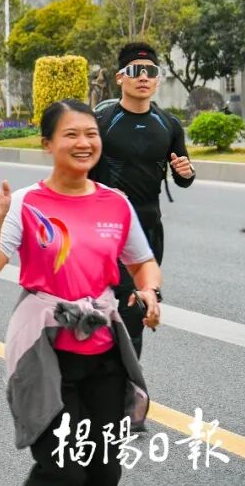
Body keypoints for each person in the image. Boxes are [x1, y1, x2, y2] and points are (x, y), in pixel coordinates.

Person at [0, 100, 161, 486]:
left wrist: (150, 290)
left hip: (104, 353)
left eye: (91, 134)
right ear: (47, 143)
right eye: (71, 134)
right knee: (63, 471)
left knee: (105, 471)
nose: (83, 143)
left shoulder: (116, 203)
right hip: (44, 351)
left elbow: (143, 262)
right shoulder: (26, 202)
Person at [89, 42, 193, 360]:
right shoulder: (101, 122)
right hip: (105, 229)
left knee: (136, 309)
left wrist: (186, 173)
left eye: (150, 71)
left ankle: (126, 381)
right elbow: (79, 176)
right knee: (109, 307)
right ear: (121, 77)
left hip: (148, 229)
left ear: (157, 79)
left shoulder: (169, 125)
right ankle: (107, 373)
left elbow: (183, 177)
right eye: (135, 70)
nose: (143, 77)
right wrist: (103, 193)